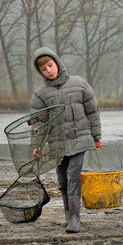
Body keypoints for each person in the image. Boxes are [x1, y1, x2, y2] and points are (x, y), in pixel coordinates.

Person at [31, 47, 101, 233]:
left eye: (50, 65)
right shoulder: (40, 95)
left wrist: (97, 135)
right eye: (44, 69)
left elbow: (92, 111)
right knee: (62, 180)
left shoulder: (79, 84)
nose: (49, 70)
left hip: (80, 139)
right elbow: (38, 123)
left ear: (57, 63)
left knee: (73, 176)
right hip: (57, 145)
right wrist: (37, 145)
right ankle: (68, 216)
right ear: (40, 72)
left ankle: (75, 220)